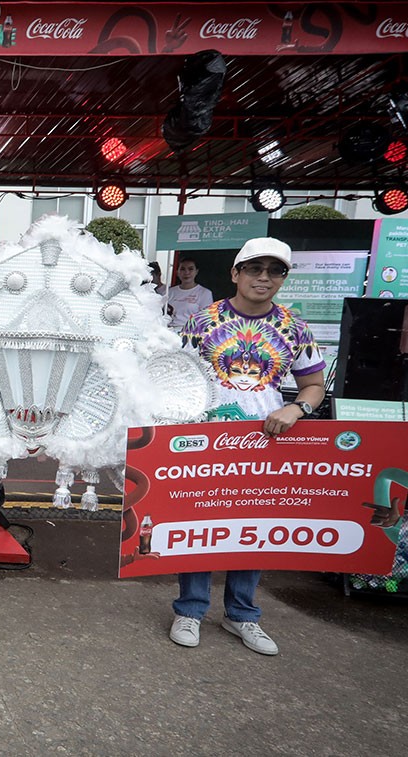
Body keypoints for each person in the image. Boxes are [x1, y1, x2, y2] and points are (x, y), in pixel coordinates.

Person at [172, 237, 326, 656]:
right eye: (254, 269)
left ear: (283, 279)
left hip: (267, 441)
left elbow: (314, 384)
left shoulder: (295, 326)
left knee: (251, 528)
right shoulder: (202, 322)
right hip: (209, 438)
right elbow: (176, 377)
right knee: (200, 524)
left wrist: (296, 410)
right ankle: (190, 609)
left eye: (274, 271)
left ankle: (242, 615)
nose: (264, 277)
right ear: (235, 274)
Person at [165, 257, 213, 327]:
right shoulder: (169, 292)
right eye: (182, 269)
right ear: (177, 272)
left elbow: (206, 320)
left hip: (191, 333)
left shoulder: (205, 293)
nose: (186, 272)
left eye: (190, 269)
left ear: (196, 271)